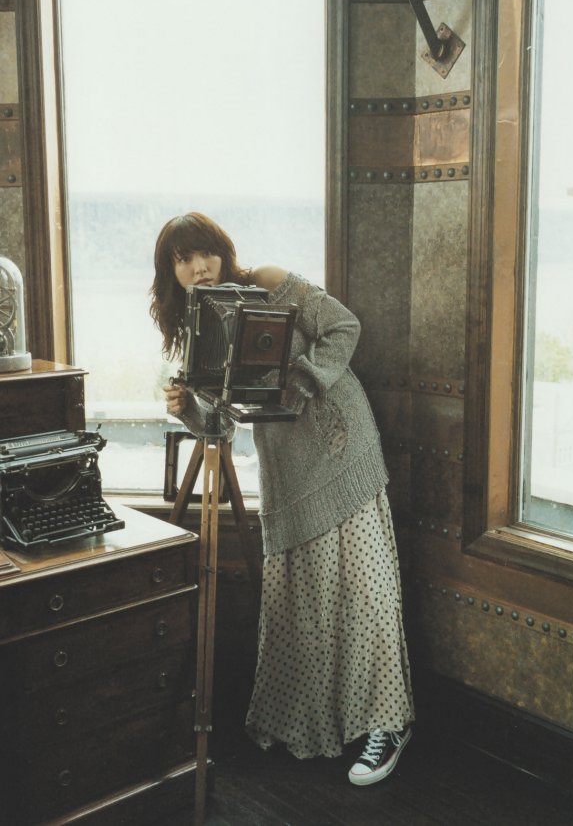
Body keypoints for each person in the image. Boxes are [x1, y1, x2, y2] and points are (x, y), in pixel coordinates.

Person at [150, 212, 414, 785]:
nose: (199, 267)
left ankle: (386, 725)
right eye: (183, 259)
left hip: (339, 441)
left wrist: (305, 377)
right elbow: (220, 426)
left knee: (367, 590)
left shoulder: (267, 282)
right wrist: (187, 409)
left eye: (205, 252)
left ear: (223, 251)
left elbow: (343, 326)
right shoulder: (196, 331)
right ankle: (318, 724)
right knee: (303, 599)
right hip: (286, 465)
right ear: (170, 272)